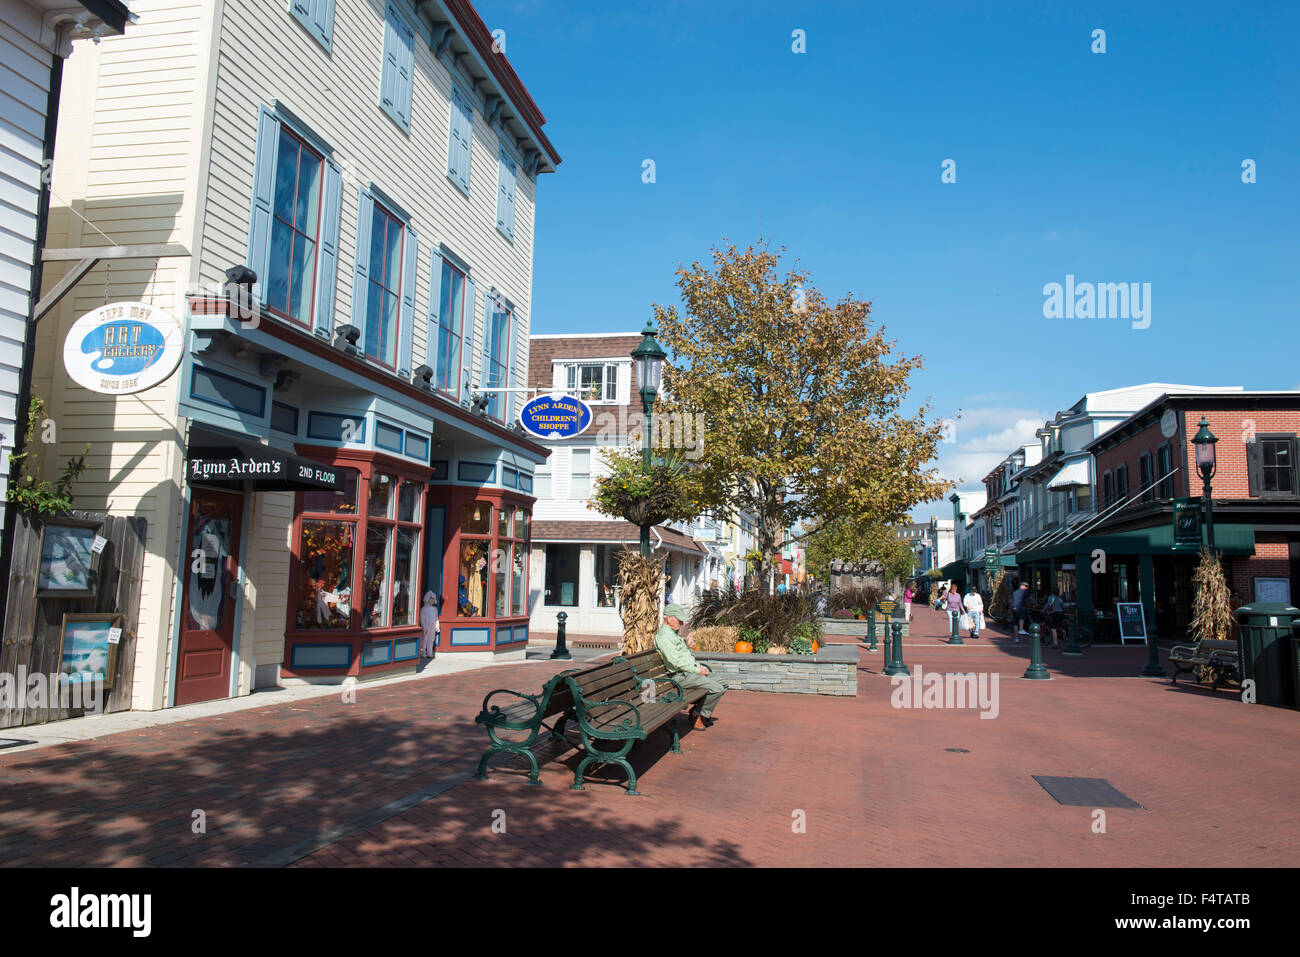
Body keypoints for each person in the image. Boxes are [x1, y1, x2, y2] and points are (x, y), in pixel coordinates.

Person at [654, 603, 726, 730]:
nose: (681, 623)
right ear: (669, 618)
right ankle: (697, 714)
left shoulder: (672, 634)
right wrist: (697, 670)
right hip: (680, 677)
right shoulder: (664, 637)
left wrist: (697, 667)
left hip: (688, 673)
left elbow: (685, 657)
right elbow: (676, 662)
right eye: (679, 620)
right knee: (717, 688)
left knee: (723, 683)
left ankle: (701, 711)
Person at [418, 591, 441, 659]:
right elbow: (422, 619)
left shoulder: (434, 609)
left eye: (433, 599)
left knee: (431, 640)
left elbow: (436, 618)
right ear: (427, 599)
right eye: (431, 599)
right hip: (426, 626)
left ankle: (429, 652)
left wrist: (437, 626)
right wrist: (424, 627)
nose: (433, 600)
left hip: (432, 626)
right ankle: (422, 652)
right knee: (424, 639)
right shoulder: (424, 609)